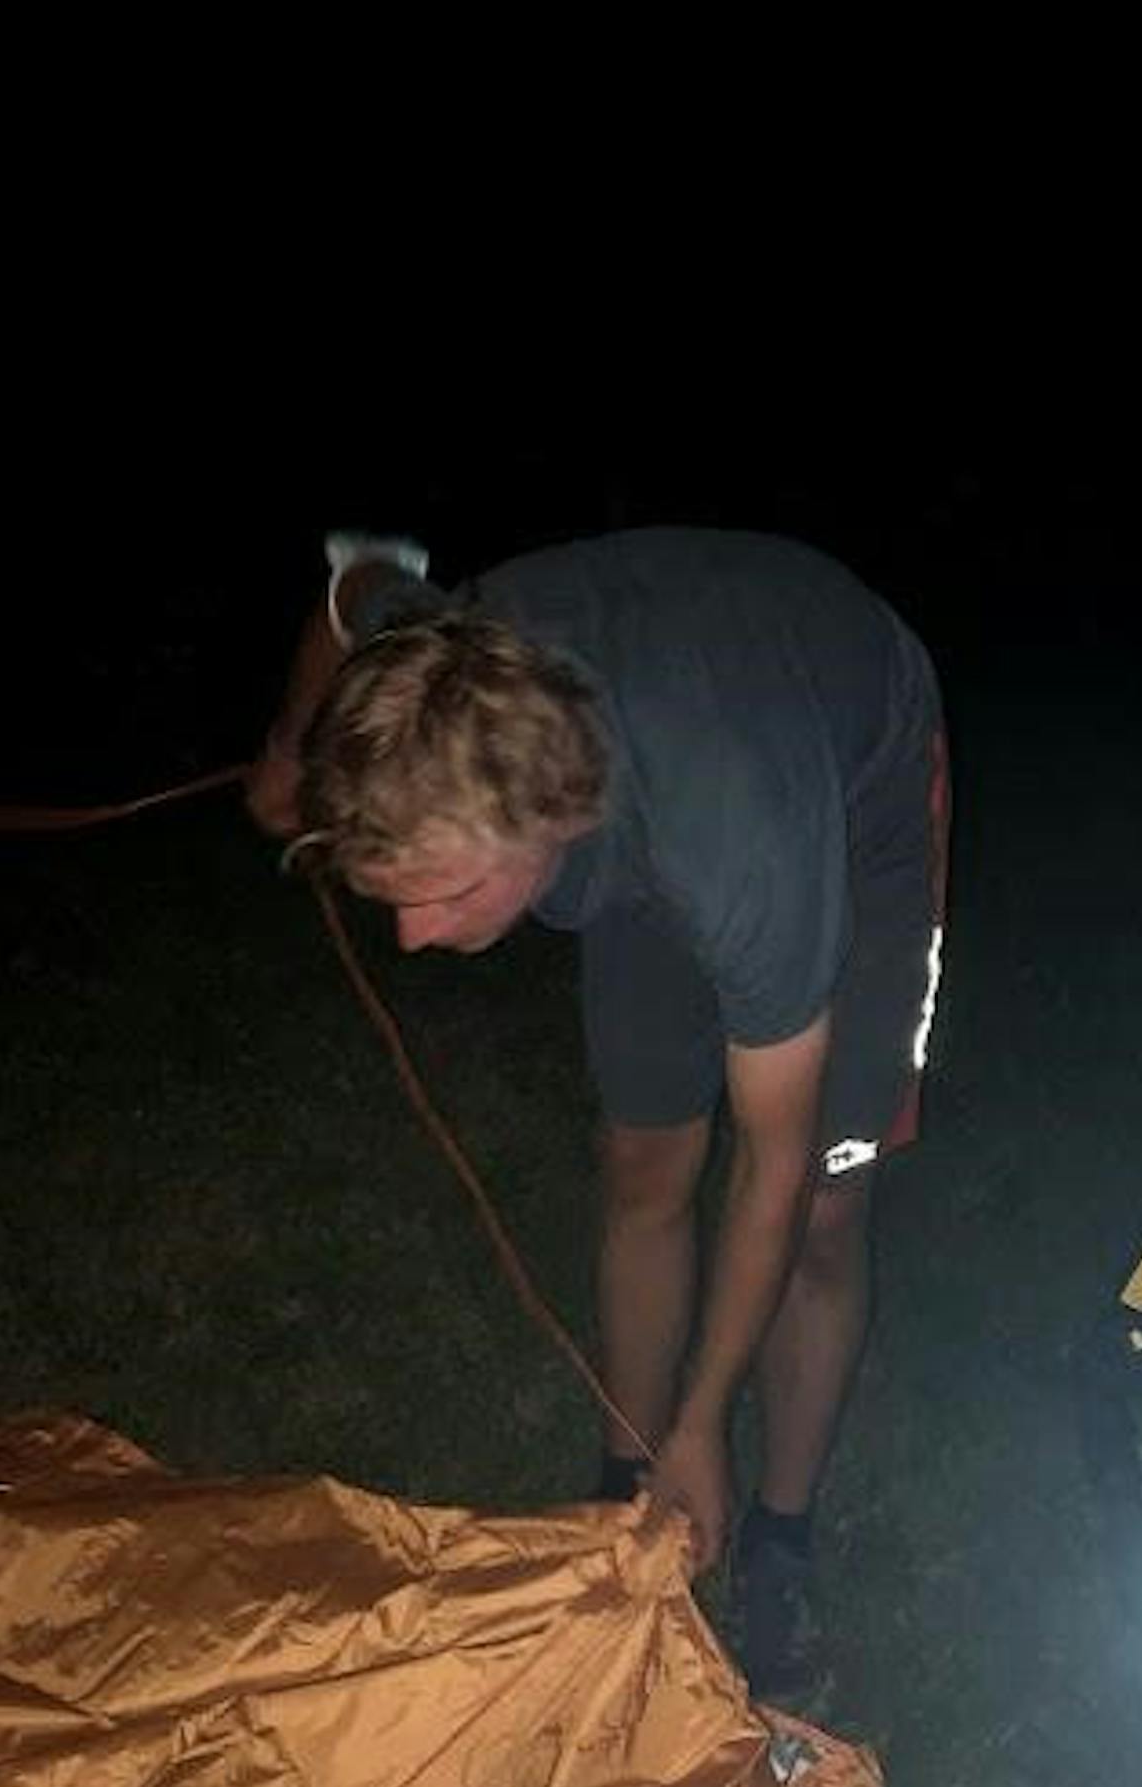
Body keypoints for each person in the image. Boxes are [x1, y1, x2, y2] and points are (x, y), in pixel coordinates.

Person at [248, 526, 948, 1699]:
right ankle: (625, 1493)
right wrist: (284, 749)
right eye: (391, 900)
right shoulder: (438, 666)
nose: (411, 937)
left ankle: (775, 1541)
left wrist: (705, 1416)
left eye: (442, 894)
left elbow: (767, 1164)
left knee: (821, 1201)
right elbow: (350, 576)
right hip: (651, 772)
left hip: (849, 788)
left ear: (544, 822)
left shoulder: (742, 842)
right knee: (640, 1162)